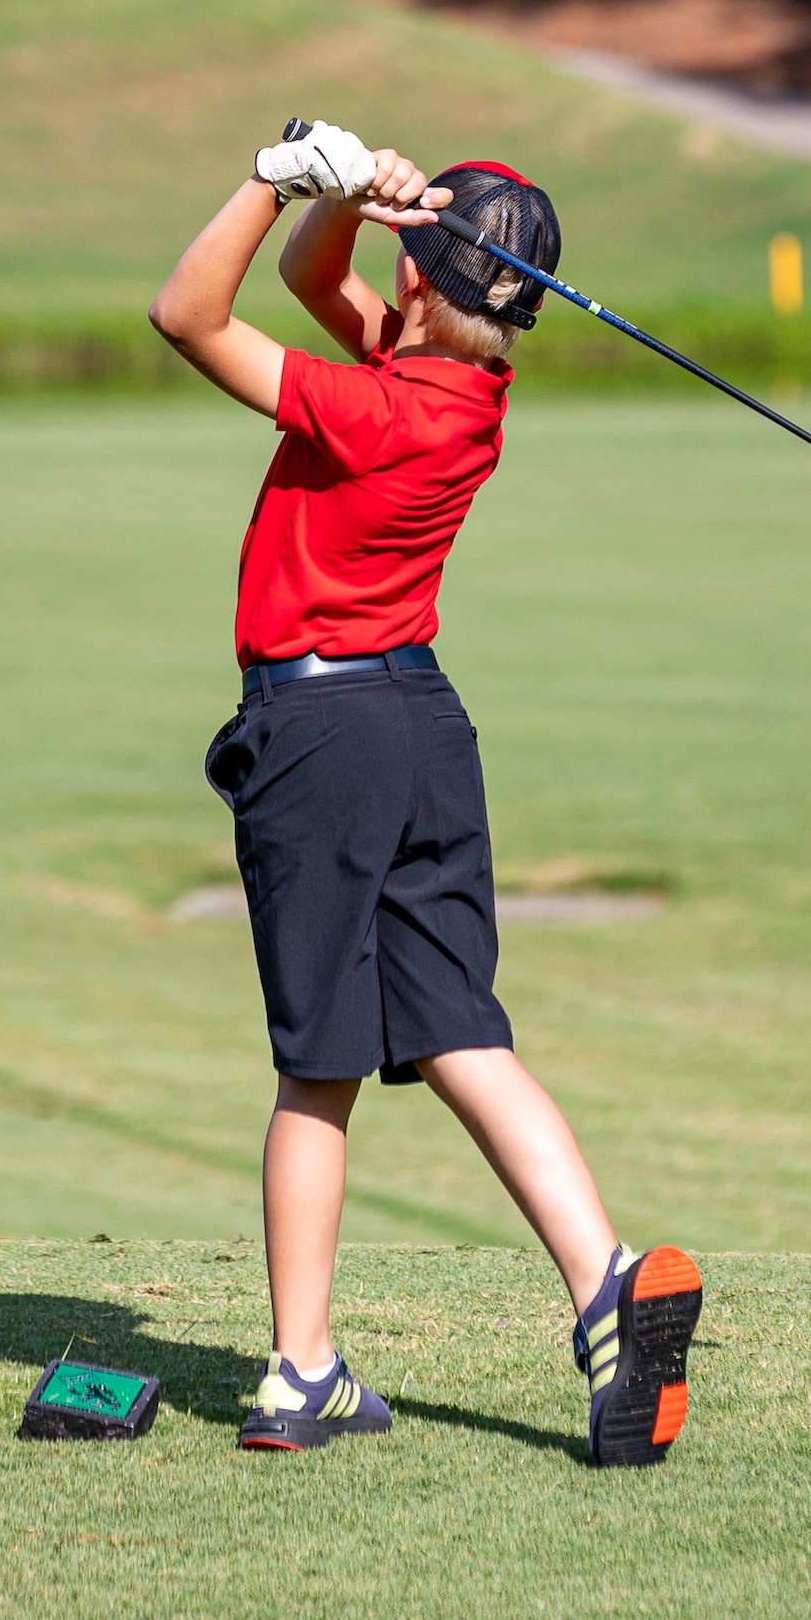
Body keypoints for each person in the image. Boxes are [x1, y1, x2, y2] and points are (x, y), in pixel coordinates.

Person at [147, 118, 701, 1469]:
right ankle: (607, 1282)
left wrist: (277, 180)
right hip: (417, 725)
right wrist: (354, 203)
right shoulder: (462, 395)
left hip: (322, 736)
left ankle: (302, 1370)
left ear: (420, 283)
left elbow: (189, 312)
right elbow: (309, 288)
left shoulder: (376, 403)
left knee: (317, 1067)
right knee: (460, 1029)